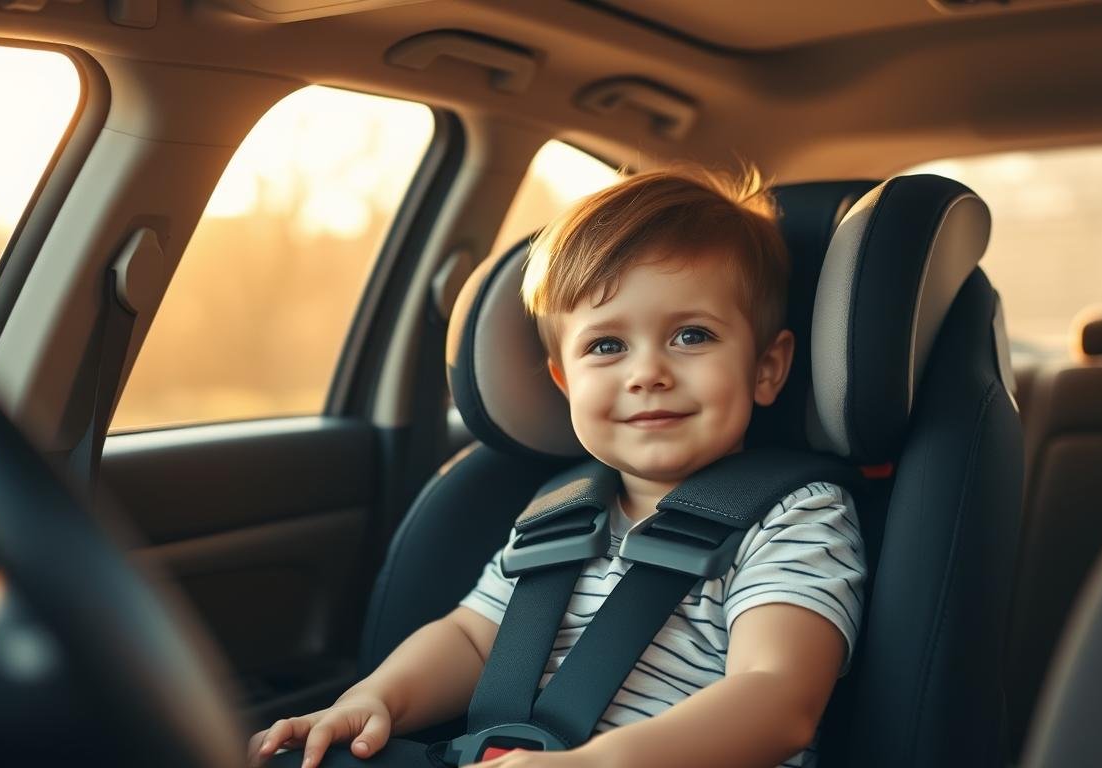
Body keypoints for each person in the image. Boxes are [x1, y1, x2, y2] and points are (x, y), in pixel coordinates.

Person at [249, 168, 865, 768]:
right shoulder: (557, 512)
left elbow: (779, 696)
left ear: (766, 368)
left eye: (692, 336)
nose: (647, 372)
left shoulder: (795, 515)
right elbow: (470, 636)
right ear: (565, 381)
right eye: (606, 345)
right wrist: (372, 699)